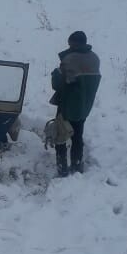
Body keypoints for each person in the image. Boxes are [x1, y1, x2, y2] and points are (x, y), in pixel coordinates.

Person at [49, 30, 101, 176]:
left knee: (61, 135)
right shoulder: (95, 58)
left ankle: (62, 169)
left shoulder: (70, 60)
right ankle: (77, 166)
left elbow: (57, 84)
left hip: (67, 106)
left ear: (74, 43)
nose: (69, 46)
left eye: (70, 43)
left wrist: (56, 73)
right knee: (77, 136)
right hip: (84, 106)